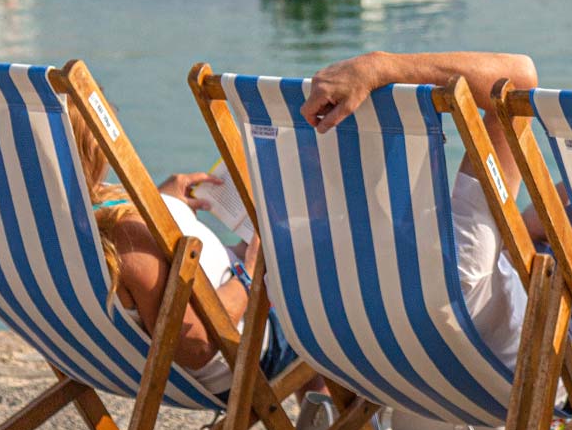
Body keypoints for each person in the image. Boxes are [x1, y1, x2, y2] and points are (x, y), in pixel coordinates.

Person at [294, 50, 542, 369]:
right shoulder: (459, 270)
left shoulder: (320, 276)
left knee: (533, 232)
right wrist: (383, 66)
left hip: (391, 369)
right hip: (540, 359)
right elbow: (518, 81)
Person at [64, 98, 262, 397]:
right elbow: (195, 347)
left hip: (109, 365)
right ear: (93, 149)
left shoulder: (42, 224)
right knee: (319, 304)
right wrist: (251, 274)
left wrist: (160, 205)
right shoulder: (125, 236)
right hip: (236, 352)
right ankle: (327, 417)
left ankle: (321, 414)